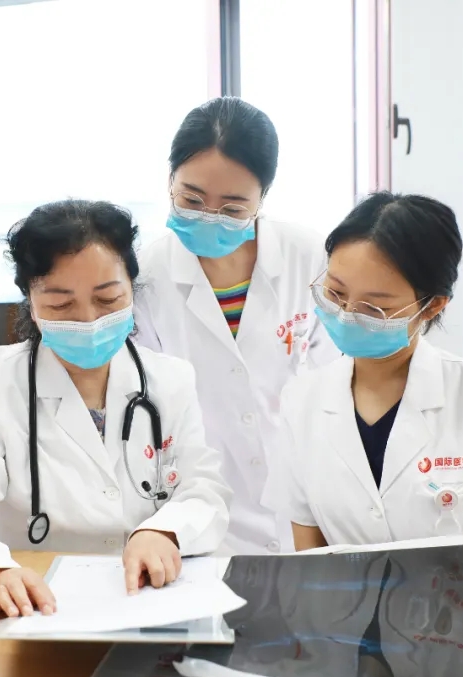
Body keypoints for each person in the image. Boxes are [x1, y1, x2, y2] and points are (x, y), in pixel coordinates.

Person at [0, 200, 232, 621]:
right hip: (36, 605)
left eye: (108, 299)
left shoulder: (170, 380)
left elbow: (204, 491)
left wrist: (164, 530)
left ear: (132, 289)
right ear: (30, 301)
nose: (88, 320)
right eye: (61, 305)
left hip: (149, 599)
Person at [276, 192, 463, 569]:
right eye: (336, 293)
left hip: (461, 607)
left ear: (432, 305)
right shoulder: (302, 399)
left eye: (375, 307)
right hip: (342, 608)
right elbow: (309, 558)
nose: (347, 315)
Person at [134, 97, 340, 555]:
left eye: (232, 209)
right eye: (191, 199)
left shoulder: (310, 259)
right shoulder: (146, 278)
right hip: (196, 510)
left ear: (262, 198)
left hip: (306, 504)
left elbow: (333, 385)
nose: (209, 217)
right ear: (169, 180)